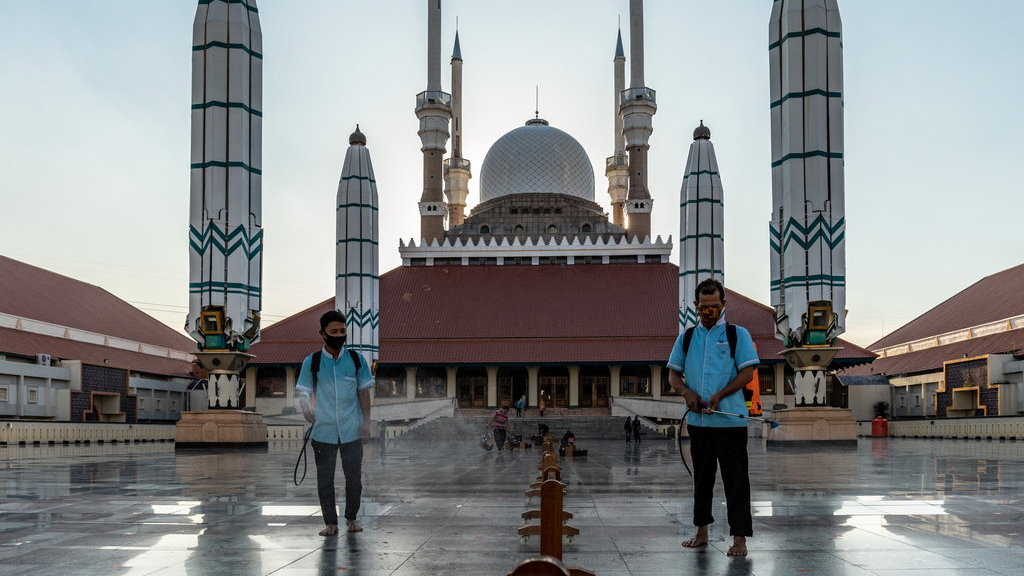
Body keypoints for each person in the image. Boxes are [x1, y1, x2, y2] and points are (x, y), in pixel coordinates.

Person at [668, 278, 758, 557]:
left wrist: (720, 394)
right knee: (702, 479)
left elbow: (747, 373)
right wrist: (687, 393)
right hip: (699, 423)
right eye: (704, 307)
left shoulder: (737, 334)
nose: (709, 311)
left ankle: (739, 538)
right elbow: (673, 375)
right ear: (695, 306)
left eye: (714, 306)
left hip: (730, 422)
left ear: (723, 305)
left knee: (736, 480)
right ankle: (701, 531)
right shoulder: (686, 337)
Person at [297, 310, 375, 537]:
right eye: (334, 331)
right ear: (322, 334)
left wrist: (367, 421)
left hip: (352, 429)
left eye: (342, 331)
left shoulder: (356, 360)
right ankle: (330, 523)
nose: (339, 335)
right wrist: (305, 407)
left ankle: (352, 518)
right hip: (323, 431)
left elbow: (363, 393)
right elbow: (303, 391)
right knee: (325, 479)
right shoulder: (312, 362)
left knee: (354, 479)